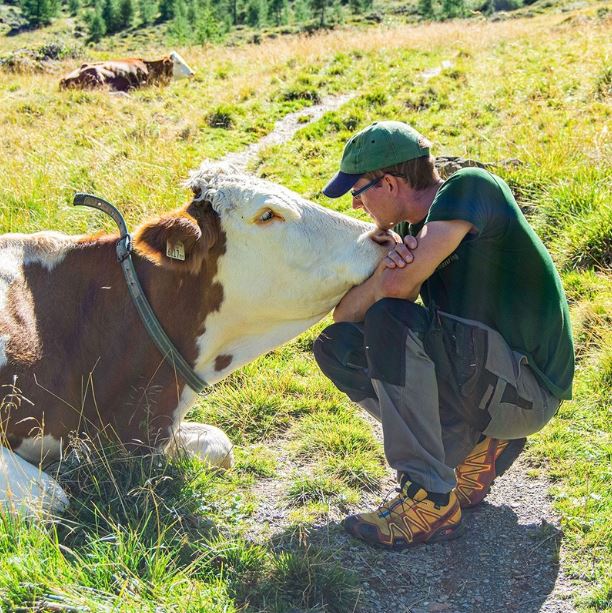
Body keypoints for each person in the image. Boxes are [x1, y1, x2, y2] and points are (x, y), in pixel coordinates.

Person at [314, 120, 574, 549]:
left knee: (389, 322)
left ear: (392, 183)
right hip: (492, 383)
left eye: (359, 192)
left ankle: (430, 499)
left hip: (529, 387)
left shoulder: (470, 189)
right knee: (339, 347)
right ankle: (475, 447)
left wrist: (391, 278)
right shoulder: (417, 232)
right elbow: (343, 318)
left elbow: (396, 296)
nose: (358, 205)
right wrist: (386, 265)